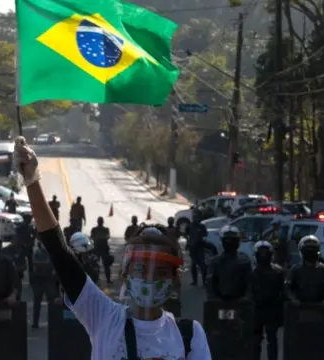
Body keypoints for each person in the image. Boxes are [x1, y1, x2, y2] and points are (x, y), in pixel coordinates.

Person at [13, 136, 211, 360]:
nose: (149, 279)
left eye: (161, 273)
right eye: (141, 269)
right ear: (125, 275)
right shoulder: (102, 316)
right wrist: (32, 181)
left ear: (175, 280)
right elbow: (58, 251)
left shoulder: (189, 335)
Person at [250, 241, 285, 360]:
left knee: (262, 340)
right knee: (263, 340)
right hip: (263, 309)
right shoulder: (254, 273)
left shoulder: (277, 271)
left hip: (267, 309)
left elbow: (284, 291)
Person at [206, 225, 252, 301]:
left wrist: (247, 297)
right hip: (219, 301)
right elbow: (210, 281)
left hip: (240, 301)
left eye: (232, 240)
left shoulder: (244, 260)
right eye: (227, 240)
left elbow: (249, 281)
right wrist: (212, 298)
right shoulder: (215, 261)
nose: (230, 242)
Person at [284, 235, 324, 304]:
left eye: (313, 251)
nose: (310, 254)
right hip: (299, 308)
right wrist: (293, 299)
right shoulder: (296, 269)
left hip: (320, 308)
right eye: (308, 251)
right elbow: (287, 288)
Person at [30, 241, 58, 328]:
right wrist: (45, 264)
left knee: (52, 302)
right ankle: (35, 322)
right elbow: (34, 262)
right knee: (37, 301)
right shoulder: (37, 251)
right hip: (39, 279)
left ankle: (53, 322)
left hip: (49, 278)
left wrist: (43, 265)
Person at [1, 235, 29, 300]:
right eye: (16, 240)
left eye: (19, 241)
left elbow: (24, 266)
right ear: (12, 241)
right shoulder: (4, 251)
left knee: (17, 297)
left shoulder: (21, 251)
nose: (18, 242)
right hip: (5, 279)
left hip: (17, 279)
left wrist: (16, 269)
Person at [188, 210, 208, 286]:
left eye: (196, 217)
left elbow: (205, 234)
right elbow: (187, 234)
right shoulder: (190, 225)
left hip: (199, 246)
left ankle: (204, 281)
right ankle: (195, 281)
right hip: (192, 247)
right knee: (193, 265)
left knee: (202, 264)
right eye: (194, 217)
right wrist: (189, 243)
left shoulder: (202, 226)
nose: (195, 218)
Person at [90, 216, 113, 284]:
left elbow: (92, 237)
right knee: (105, 265)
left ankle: (95, 279)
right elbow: (107, 237)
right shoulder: (105, 229)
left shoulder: (95, 229)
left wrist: (97, 239)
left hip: (97, 248)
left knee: (96, 265)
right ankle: (107, 280)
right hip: (103, 248)